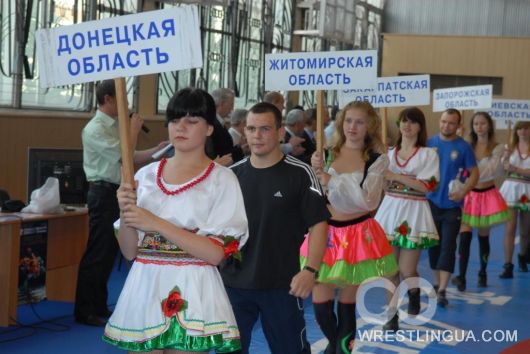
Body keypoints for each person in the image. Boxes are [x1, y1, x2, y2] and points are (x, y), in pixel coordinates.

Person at [102, 88, 249, 353]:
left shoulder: (222, 179)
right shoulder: (145, 177)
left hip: (193, 286)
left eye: (192, 121)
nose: (180, 127)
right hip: (145, 284)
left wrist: (156, 223)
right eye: (174, 120)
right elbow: (129, 251)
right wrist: (126, 210)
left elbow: (216, 254)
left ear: (209, 128)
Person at [220, 102, 330, 354]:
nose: (257, 135)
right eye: (251, 128)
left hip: (283, 284)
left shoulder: (301, 173)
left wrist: (310, 270)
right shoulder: (231, 176)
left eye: (265, 129)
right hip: (234, 283)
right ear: (244, 132)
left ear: (280, 133)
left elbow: (319, 224)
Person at [303, 101, 398, 353]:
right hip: (325, 234)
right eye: (348, 120)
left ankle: (340, 350)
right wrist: (314, 173)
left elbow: (367, 200)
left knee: (346, 304)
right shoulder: (325, 154)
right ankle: (335, 346)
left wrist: (332, 181)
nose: (352, 127)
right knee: (321, 307)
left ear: (370, 126)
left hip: (357, 236)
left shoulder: (377, 160)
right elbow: (312, 195)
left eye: (359, 122)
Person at [75, 79, 168, 327]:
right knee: (98, 251)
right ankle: (84, 310)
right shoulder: (94, 128)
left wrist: (155, 151)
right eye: (121, 99)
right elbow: (120, 154)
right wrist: (133, 130)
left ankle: (99, 304)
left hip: (115, 192)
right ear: (108, 99)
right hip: (101, 192)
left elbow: (131, 157)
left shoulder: (116, 126)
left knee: (108, 251)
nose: (124, 104)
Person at [374, 107, 440, 331]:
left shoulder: (428, 154)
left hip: (414, 212)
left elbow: (428, 186)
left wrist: (395, 176)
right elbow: (382, 186)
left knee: (406, 269)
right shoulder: (388, 153)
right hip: (390, 209)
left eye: (412, 122)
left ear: (420, 127)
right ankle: (391, 315)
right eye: (403, 121)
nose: (407, 125)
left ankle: (413, 291)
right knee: (389, 269)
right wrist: (382, 173)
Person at [451, 112, 510, 290]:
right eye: (476, 124)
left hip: (488, 195)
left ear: (489, 126)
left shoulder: (498, 148)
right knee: (465, 236)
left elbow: (492, 172)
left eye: (483, 123)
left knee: (484, 237)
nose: (479, 127)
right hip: (470, 195)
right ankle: (461, 276)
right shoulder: (466, 146)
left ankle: (482, 273)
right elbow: (461, 170)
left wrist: (503, 160)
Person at [427, 108, 478, 308]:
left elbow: (474, 173)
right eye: (443, 121)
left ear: (458, 125)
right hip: (430, 203)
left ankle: (442, 290)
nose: (446, 126)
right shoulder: (429, 144)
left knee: (448, 246)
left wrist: (463, 191)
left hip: (452, 206)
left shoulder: (464, 148)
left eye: (451, 123)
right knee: (433, 246)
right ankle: (436, 282)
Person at [499, 120, 530, 278]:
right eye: (519, 129)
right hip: (511, 189)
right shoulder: (509, 148)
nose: (523, 131)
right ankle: (508, 264)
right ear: (516, 131)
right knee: (510, 229)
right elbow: (501, 171)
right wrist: (504, 161)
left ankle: (523, 256)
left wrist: (516, 169)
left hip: (528, 190)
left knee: (525, 231)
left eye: (526, 128)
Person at [209, 88, 244, 165]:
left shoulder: (219, 122)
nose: (232, 108)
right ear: (221, 103)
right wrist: (241, 150)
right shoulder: (212, 125)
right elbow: (222, 153)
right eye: (231, 104)